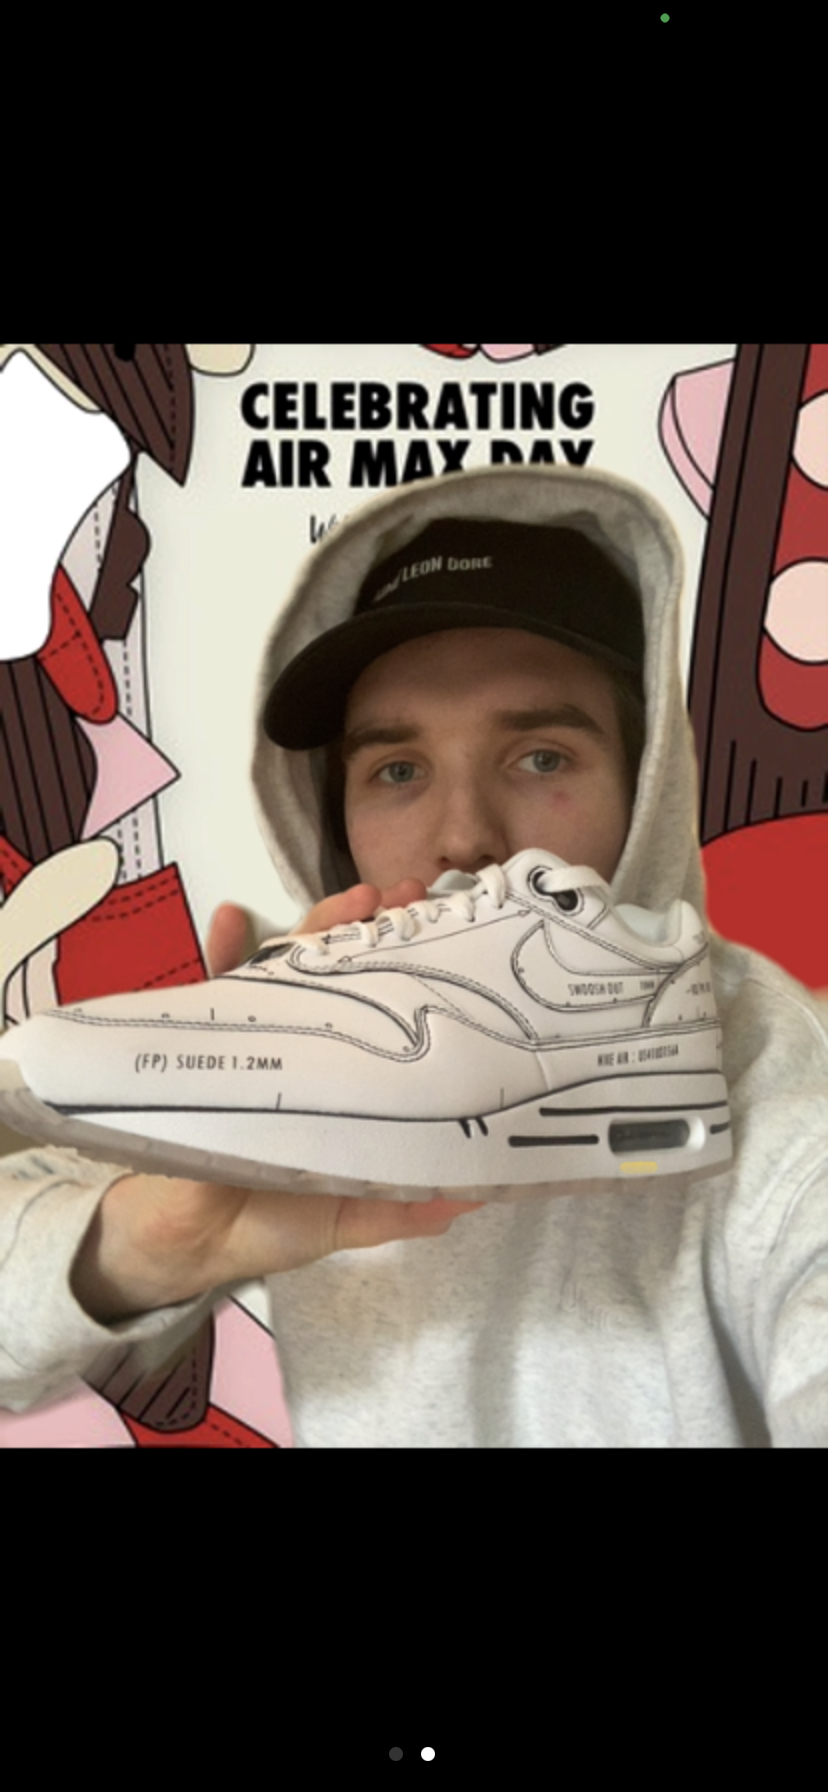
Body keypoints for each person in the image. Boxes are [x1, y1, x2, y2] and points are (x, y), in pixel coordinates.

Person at [1, 464, 827, 1446]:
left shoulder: (780, 1083)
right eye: (398, 769)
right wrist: (155, 1236)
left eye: (542, 757)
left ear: (647, 784)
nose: (464, 837)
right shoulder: (298, 1057)